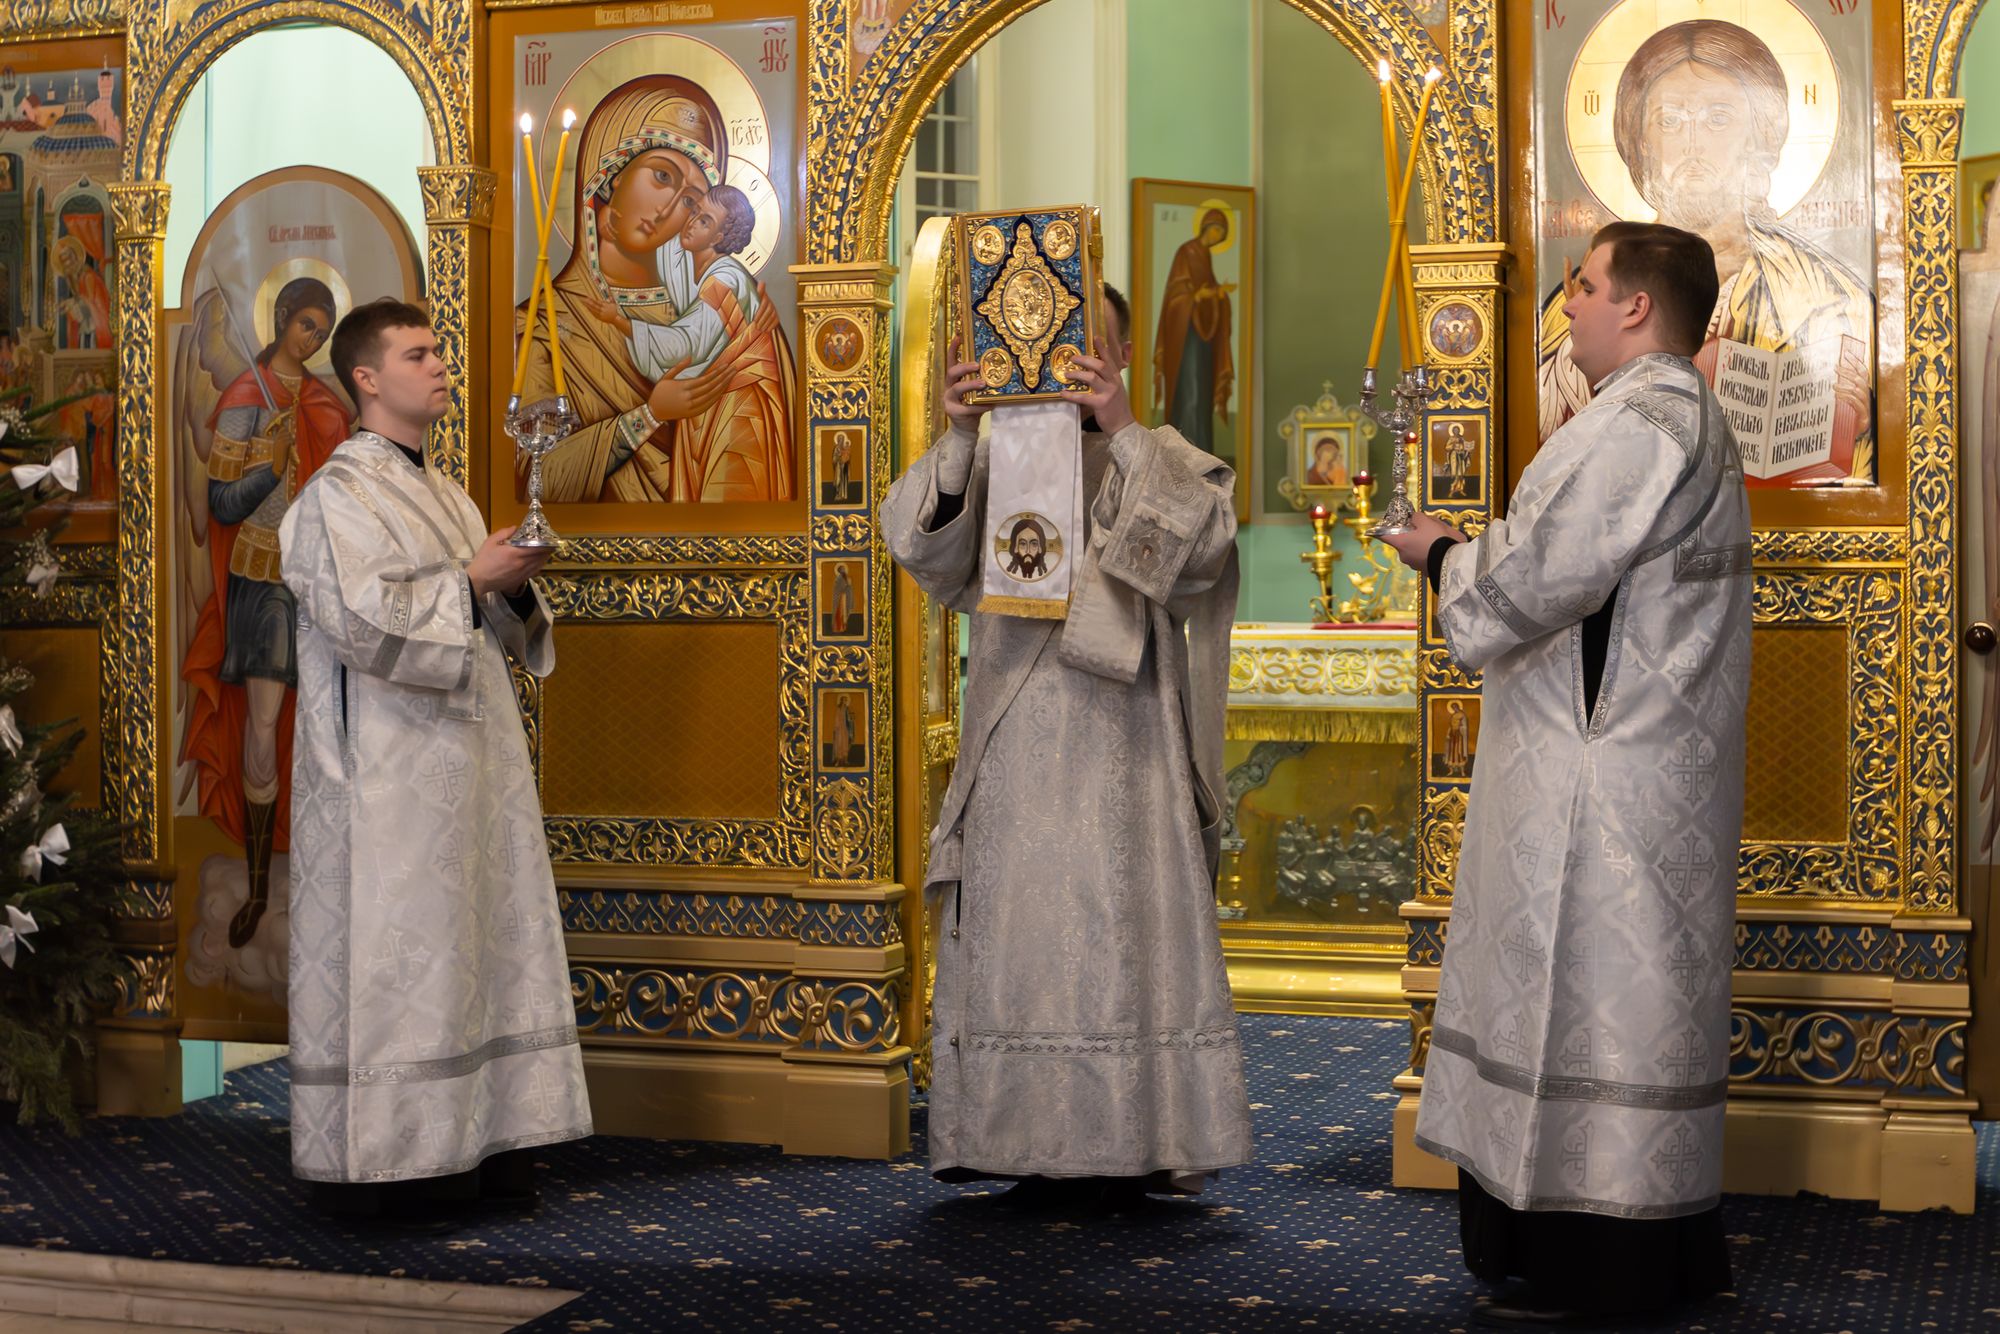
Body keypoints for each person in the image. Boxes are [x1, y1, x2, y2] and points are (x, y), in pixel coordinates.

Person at [1381, 221, 1750, 1326]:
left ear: (1636, 306)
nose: (1569, 307)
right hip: (1641, 768)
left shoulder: (1639, 420)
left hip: (1603, 785)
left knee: (1587, 1004)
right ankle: (1630, 1257)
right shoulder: (1679, 413)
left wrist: (1441, 554)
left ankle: (1598, 1271)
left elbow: (1543, 577)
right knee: (1615, 1005)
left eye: (1585, 287)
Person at [882, 283, 1252, 1210]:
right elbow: (923, 553)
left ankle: (1142, 1141)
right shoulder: (998, 457)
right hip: (1016, 739)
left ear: (1120, 355)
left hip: (1131, 742)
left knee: (1128, 934)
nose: (1067, 361)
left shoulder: (1164, 454)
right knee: (1024, 935)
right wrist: (959, 434)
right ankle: (1019, 1140)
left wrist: (1120, 427)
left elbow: (1199, 555)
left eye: (1089, 344)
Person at [280, 299, 592, 1226]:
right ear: (366, 378)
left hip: (470, 764)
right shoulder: (336, 497)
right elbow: (362, 623)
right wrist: (470, 582)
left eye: (439, 351)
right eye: (418, 355)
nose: (440, 366)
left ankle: (487, 1144)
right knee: (408, 956)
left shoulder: (450, 494)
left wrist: (510, 590)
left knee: (477, 950)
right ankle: (404, 1160)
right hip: (387, 776)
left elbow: (491, 620)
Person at [1538, 19, 1872, 480]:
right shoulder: (1582, 301)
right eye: (1669, 121)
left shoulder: (1826, 296)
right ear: (1640, 141)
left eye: (1718, 119)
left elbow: (1858, 474)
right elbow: (1549, 455)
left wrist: (1851, 427)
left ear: (1758, 136)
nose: (1693, 146)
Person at [520, 77, 795, 503]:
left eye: (691, 202)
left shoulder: (729, 314)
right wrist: (648, 416)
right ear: (611, 171)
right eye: (662, 176)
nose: (668, 210)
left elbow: (756, 468)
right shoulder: (541, 327)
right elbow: (531, 482)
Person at [179, 277, 348, 949]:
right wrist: (269, 469)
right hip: (263, 579)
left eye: (323, 332)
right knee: (264, 728)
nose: (312, 339)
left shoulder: (325, 404)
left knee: (326, 728)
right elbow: (222, 505)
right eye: (306, 324)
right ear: (280, 318)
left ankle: (325, 877)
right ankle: (256, 888)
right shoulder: (244, 400)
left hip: (320, 583)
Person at [1153, 210, 1235, 452]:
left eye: (1222, 234)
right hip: (1186, 339)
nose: (1217, 236)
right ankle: (1184, 449)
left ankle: (1202, 450)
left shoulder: (1205, 256)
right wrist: (1199, 296)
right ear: (1206, 226)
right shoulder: (1187, 251)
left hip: (1203, 340)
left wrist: (1219, 295)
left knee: (1202, 396)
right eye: (1216, 230)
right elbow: (1176, 296)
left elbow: (1206, 294)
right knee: (1190, 391)